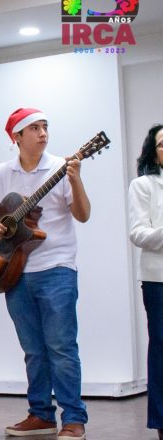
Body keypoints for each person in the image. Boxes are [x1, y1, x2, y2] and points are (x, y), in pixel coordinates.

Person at [0, 108, 91, 440]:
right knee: (33, 349)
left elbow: (83, 215)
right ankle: (41, 415)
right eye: (34, 128)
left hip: (57, 268)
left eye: (46, 126)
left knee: (61, 347)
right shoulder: (3, 173)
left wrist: (75, 181)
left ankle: (74, 419)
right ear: (17, 136)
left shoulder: (61, 167)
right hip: (14, 272)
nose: (43, 132)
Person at [128, 124, 163, 440]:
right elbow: (138, 234)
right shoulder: (143, 185)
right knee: (162, 351)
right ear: (154, 152)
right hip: (159, 281)